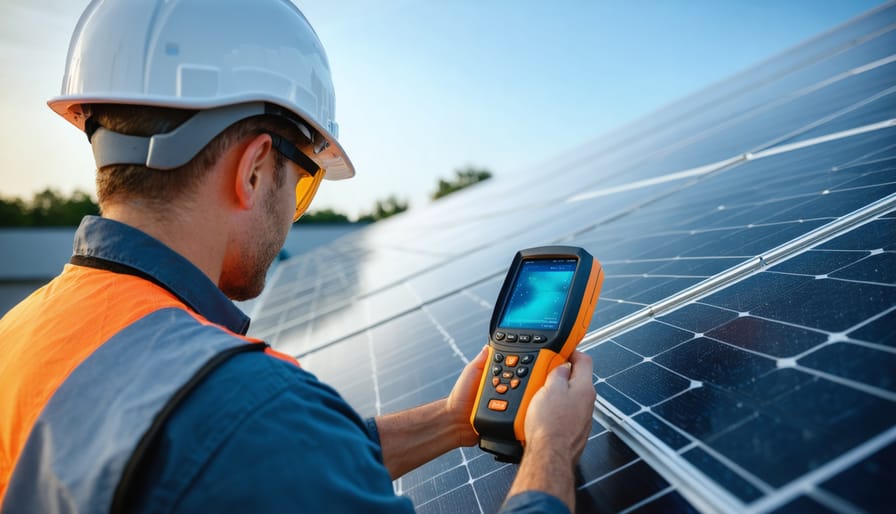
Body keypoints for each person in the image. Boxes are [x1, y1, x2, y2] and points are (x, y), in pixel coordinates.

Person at [0, 1, 596, 513]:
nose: (292, 213)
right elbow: (259, 443)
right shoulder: (249, 406)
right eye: (304, 184)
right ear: (255, 170)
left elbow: (273, 468)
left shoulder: (21, 334)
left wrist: (452, 420)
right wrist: (550, 450)